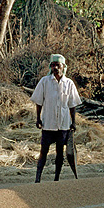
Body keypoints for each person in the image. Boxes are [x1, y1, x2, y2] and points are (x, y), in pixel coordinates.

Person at [30, 54, 82, 183]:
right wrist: (38, 119)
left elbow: (72, 104)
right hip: (48, 123)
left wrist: (73, 122)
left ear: (63, 67)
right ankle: (38, 178)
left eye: (57, 65)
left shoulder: (68, 83)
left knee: (60, 152)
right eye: (53, 65)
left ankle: (56, 178)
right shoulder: (44, 81)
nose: (55, 68)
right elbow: (39, 102)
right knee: (44, 151)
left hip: (63, 124)